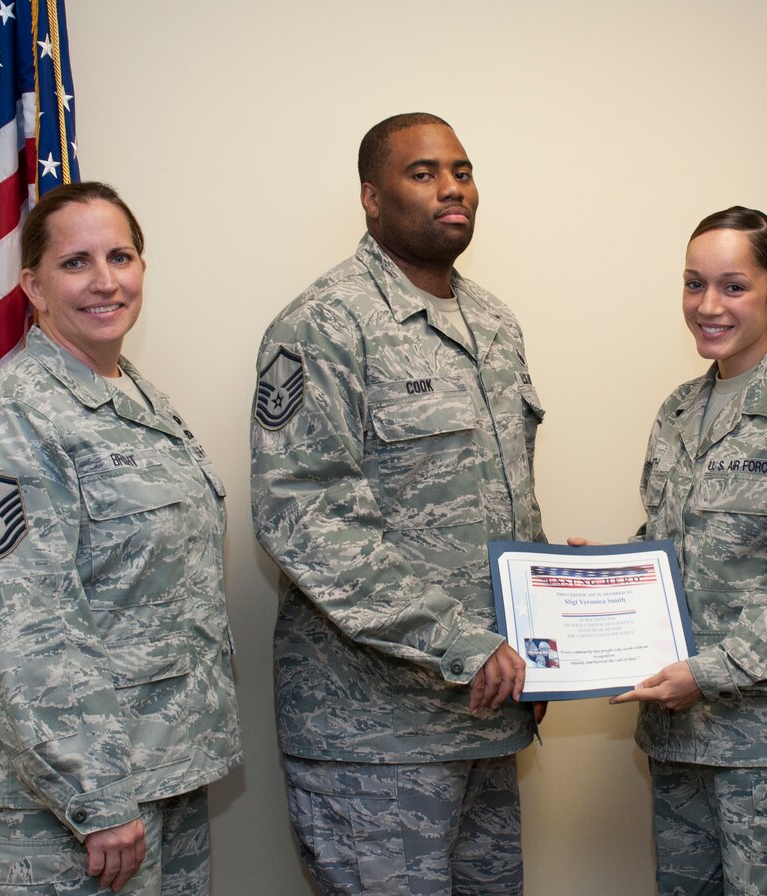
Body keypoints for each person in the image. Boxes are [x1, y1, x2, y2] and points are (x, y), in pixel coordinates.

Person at [250, 112, 544, 895]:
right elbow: (304, 518)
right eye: (423, 172)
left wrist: (549, 591)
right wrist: (459, 639)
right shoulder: (322, 326)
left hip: (485, 721)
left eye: (462, 169)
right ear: (371, 199)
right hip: (374, 737)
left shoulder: (495, 325)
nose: (451, 186)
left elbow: (500, 503)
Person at [0, 182, 240, 895]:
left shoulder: (132, 394)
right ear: (33, 286)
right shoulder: (17, 419)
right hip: (66, 809)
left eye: (121, 256)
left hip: (157, 771)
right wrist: (95, 795)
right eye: (76, 263)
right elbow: (21, 628)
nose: (106, 281)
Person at [608, 207, 767, 895]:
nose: (708, 305)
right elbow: (671, 547)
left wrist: (709, 671)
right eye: (694, 285)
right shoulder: (679, 411)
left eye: (732, 286)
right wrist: (607, 573)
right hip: (682, 738)